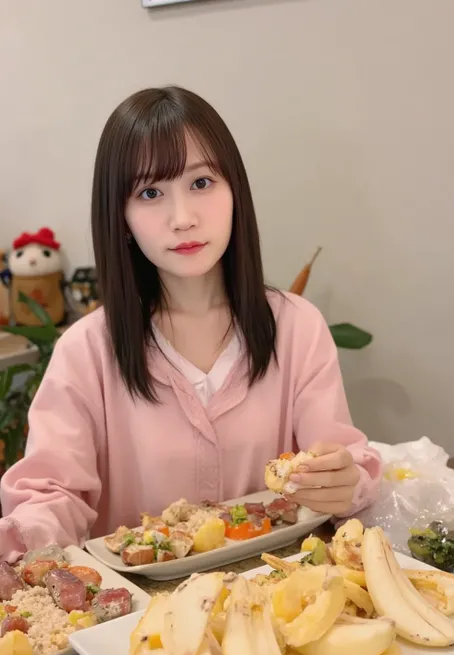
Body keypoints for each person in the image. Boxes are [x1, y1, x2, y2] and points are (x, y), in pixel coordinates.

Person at [0, 86, 381, 563]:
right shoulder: (86, 350)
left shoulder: (296, 326)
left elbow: (342, 459)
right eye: (150, 192)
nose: (183, 218)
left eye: (201, 183)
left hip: (280, 599)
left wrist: (343, 482)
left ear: (234, 190)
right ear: (121, 216)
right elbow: (52, 496)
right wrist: (23, 535)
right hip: (139, 626)